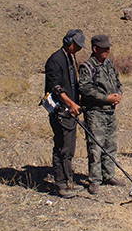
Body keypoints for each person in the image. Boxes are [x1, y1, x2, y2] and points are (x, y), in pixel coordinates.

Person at [78, 34, 125, 194]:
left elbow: (117, 81)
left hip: (110, 112)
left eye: (108, 48)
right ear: (95, 49)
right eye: (104, 48)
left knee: (111, 144)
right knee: (95, 147)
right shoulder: (87, 67)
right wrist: (105, 98)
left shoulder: (108, 64)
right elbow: (85, 89)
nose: (107, 51)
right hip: (95, 113)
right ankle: (94, 180)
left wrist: (118, 95)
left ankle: (108, 175)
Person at [45, 29, 86, 198]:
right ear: (69, 42)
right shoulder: (55, 60)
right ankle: (61, 185)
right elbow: (56, 89)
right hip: (61, 111)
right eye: (77, 45)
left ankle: (69, 181)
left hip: (70, 111)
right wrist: (71, 104)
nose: (79, 49)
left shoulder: (69, 57)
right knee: (61, 148)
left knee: (69, 149)